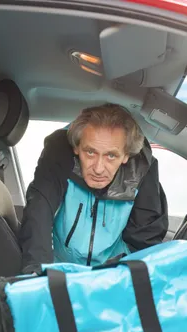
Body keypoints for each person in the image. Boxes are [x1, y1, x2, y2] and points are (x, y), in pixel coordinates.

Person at [19, 103, 168, 272]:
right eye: (90, 152)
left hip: (111, 275)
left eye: (111, 156)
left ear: (126, 155)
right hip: (60, 270)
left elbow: (144, 242)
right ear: (76, 147)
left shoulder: (141, 170)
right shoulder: (59, 154)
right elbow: (39, 211)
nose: (98, 168)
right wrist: (36, 274)